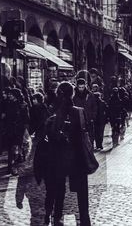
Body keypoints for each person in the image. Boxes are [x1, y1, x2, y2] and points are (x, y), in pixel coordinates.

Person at [44, 82, 91, 226]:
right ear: (73, 94)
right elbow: (85, 133)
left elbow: (48, 136)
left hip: (58, 157)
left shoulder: (53, 113)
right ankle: (84, 219)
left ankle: (55, 217)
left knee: (59, 189)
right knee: (82, 192)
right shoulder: (79, 111)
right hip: (77, 156)